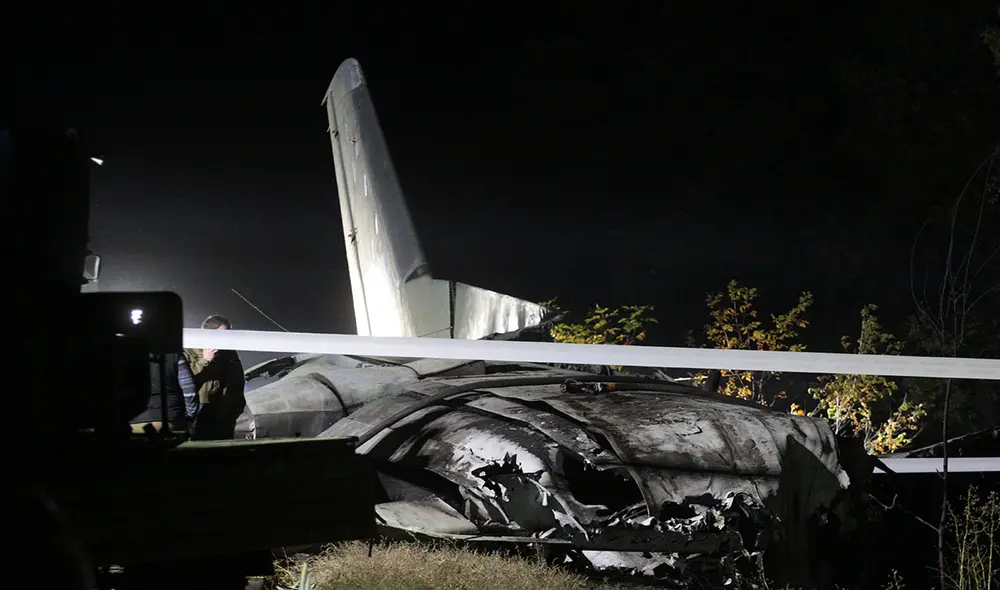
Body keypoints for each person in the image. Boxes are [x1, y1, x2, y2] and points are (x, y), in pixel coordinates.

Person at [183, 315, 246, 440]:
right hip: (197, 407)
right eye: (222, 334)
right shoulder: (188, 350)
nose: (225, 338)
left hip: (222, 408)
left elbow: (237, 379)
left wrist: (237, 405)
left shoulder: (227, 352)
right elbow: (184, 380)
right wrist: (204, 360)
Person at [129, 352, 196, 434]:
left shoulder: (126, 355)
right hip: (169, 418)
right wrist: (190, 416)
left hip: (133, 421)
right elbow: (189, 390)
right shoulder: (174, 355)